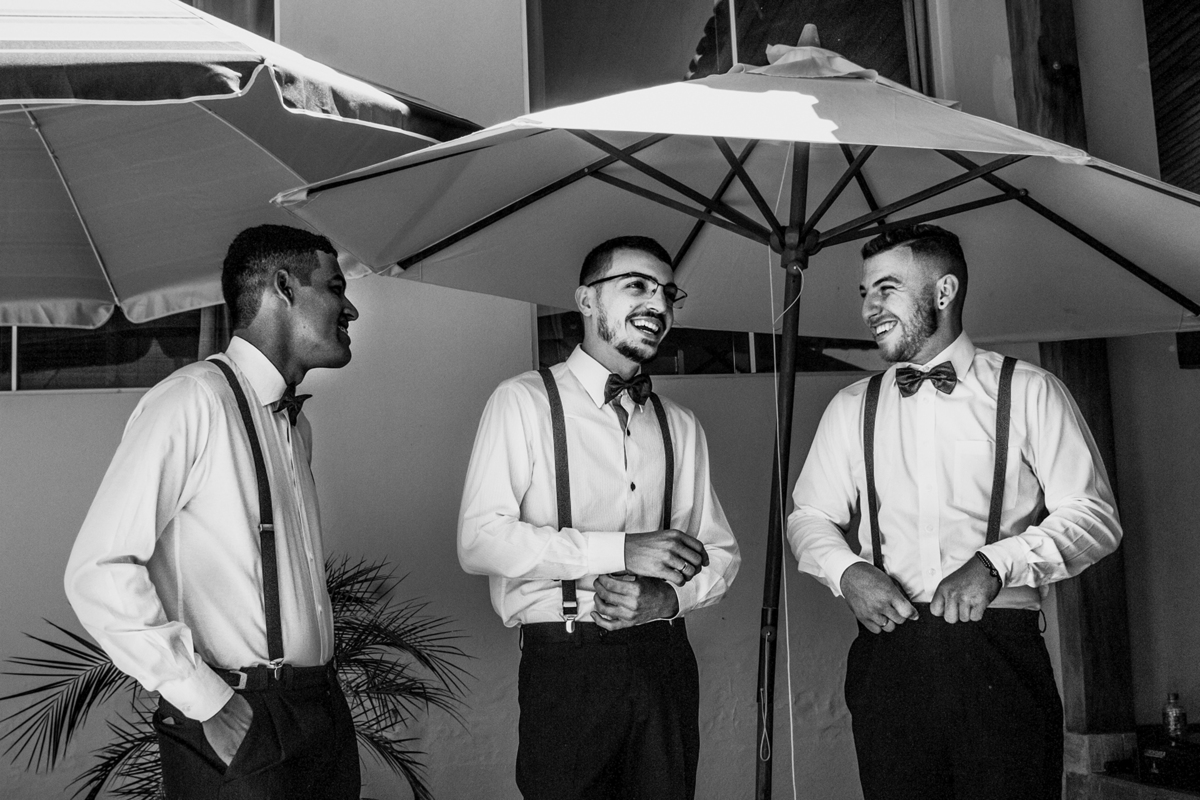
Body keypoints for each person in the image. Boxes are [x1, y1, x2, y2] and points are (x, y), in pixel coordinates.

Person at [787, 223, 1121, 800]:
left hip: (999, 655)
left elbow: (1094, 517)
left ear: (943, 292)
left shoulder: (1030, 390)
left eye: (887, 289)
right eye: (865, 293)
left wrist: (996, 564)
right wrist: (847, 572)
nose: (869, 308)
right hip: (888, 657)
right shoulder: (850, 408)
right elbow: (808, 516)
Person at [65, 224, 361, 799]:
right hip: (241, 715)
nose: (349, 309)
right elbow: (97, 570)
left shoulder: (295, 425)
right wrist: (207, 701)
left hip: (320, 710)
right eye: (335, 287)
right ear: (283, 288)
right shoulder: (193, 399)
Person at [459, 236, 741, 800]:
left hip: (664, 658)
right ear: (587, 300)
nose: (658, 304)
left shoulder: (681, 425)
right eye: (637, 286)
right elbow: (480, 540)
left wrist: (670, 599)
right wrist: (620, 550)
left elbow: (721, 555)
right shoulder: (522, 401)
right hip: (566, 664)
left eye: (668, 293)